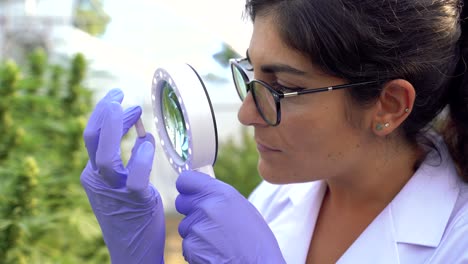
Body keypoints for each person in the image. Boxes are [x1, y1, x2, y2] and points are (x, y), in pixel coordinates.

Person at [80, 0, 468, 263]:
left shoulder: (458, 241)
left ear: (390, 105)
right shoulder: (279, 197)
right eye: (251, 74)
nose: (248, 114)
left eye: (282, 87)